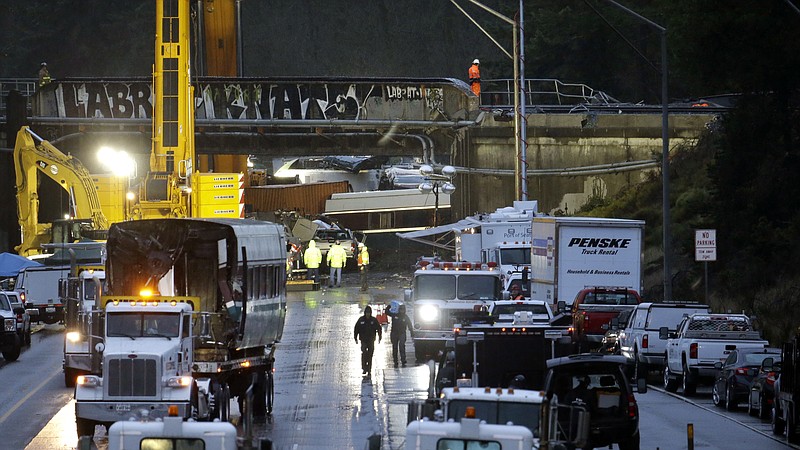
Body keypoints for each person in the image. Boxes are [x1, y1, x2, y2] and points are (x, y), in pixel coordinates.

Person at [354, 305, 382, 376]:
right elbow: (356, 329)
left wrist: (379, 337)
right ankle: (364, 368)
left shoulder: (373, 320)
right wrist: (355, 338)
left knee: (370, 355)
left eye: (369, 313)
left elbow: (379, 328)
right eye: (367, 313)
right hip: (363, 340)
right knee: (364, 353)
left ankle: (369, 369)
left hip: (371, 340)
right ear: (365, 313)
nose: (368, 314)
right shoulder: (361, 320)